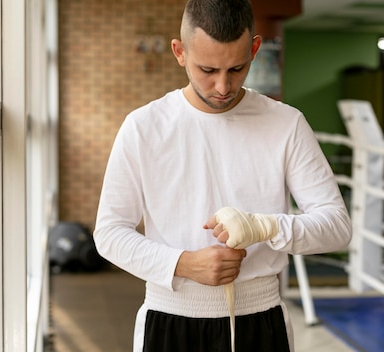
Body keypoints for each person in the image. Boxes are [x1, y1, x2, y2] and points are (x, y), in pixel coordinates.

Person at [93, 0, 352, 351]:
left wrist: (267, 227)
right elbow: (109, 233)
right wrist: (182, 264)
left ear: (255, 49)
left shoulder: (286, 123)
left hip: (260, 318)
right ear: (179, 52)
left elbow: (337, 226)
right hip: (169, 319)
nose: (222, 86)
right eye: (208, 69)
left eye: (236, 68)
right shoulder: (143, 127)